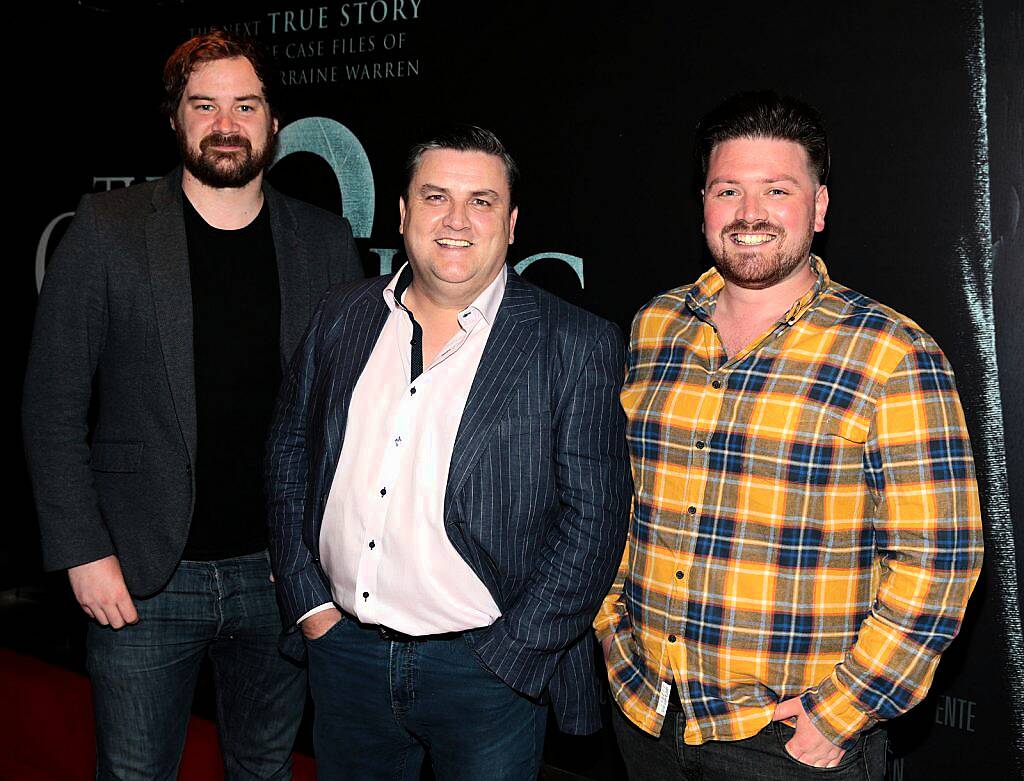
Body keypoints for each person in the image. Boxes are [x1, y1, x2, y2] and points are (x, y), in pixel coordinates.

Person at [595, 92, 983, 780]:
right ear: (705, 203)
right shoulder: (655, 325)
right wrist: (609, 624)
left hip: (784, 740)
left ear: (820, 206)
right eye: (728, 190)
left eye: (777, 190)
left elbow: (940, 558)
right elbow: (621, 498)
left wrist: (841, 712)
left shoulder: (891, 352)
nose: (750, 214)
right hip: (646, 712)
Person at [22, 30, 362, 780]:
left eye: (246, 104)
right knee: (136, 771)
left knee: (266, 766)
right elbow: (52, 405)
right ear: (176, 120)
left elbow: (346, 413)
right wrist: (81, 550)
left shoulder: (324, 240)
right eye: (203, 105)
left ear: (274, 123)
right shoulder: (108, 231)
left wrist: (317, 551)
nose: (226, 122)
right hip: (144, 575)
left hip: (279, 578)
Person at [266, 124, 632, 779]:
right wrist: (310, 602)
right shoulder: (340, 314)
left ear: (512, 222)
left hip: (485, 673)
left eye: (482, 201)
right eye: (436, 197)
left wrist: (513, 654)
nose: (457, 219)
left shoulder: (573, 343)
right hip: (345, 653)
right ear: (404, 213)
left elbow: (595, 521)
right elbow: (291, 453)